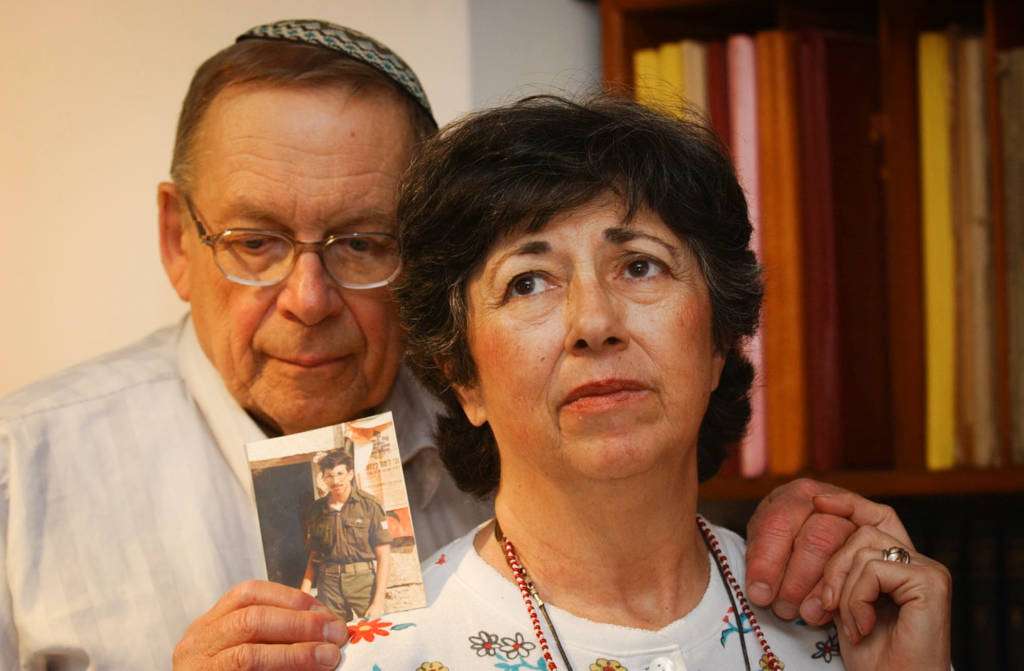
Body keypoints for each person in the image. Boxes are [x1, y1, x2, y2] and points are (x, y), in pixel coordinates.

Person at [0, 17, 909, 671]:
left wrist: (809, 531)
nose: (309, 300)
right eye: (255, 244)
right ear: (176, 239)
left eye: (362, 242)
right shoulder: (21, 469)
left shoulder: (522, 404)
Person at [330, 94, 953, 670]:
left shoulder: (846, 621)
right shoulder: (380, 653)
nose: (594, 323)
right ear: (464, 379)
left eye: (639, 266)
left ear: (717, 342)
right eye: (528, 281)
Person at [301, 449, 392, 621]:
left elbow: (384, 557)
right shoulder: (316, 510)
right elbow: (314, 555)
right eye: (329, 475)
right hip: (329, 586)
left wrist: (378, 602)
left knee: (379, 629)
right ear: (323, 478)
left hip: (363, 582)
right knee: (333, 636)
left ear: (350, 474)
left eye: (340, 473)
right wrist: (303, 593)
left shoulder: (369, 505)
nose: (336, 481)